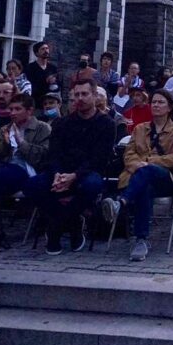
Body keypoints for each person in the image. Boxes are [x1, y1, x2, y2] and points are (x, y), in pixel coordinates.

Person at [23, 79, 115, 255]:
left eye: (85, 94)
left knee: (92, 185)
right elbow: (54, 154)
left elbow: (100, 158)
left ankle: (56, 225)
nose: (80, 98)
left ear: (95, 96)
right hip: (61, 171)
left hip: (88, 172)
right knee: (32, 186)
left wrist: (75, 176)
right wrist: (58, 174)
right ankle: (72, 221)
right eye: (76, 95)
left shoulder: (106, 124)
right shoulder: (62, 123)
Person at [101, 89, 173, 259]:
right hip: (139, 178)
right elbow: (128, 153)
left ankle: (121, 202)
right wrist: (137, 165)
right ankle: (141, 239)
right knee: (144, 188)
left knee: (147, 171)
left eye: (160, 102)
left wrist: (149, 163)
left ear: (170, 107)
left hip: (164, 178)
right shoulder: (140, 129)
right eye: (154, 102)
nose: (156, 105)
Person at [0, 93, 51, 202]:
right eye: (11, 109)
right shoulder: (7, 128)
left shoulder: (42, 128)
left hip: (26, 170)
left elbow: (43, 158)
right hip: (3, 166)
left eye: (17, 109)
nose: (12, 113)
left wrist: (21, 142)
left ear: (29, 111)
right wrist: (5, 144)